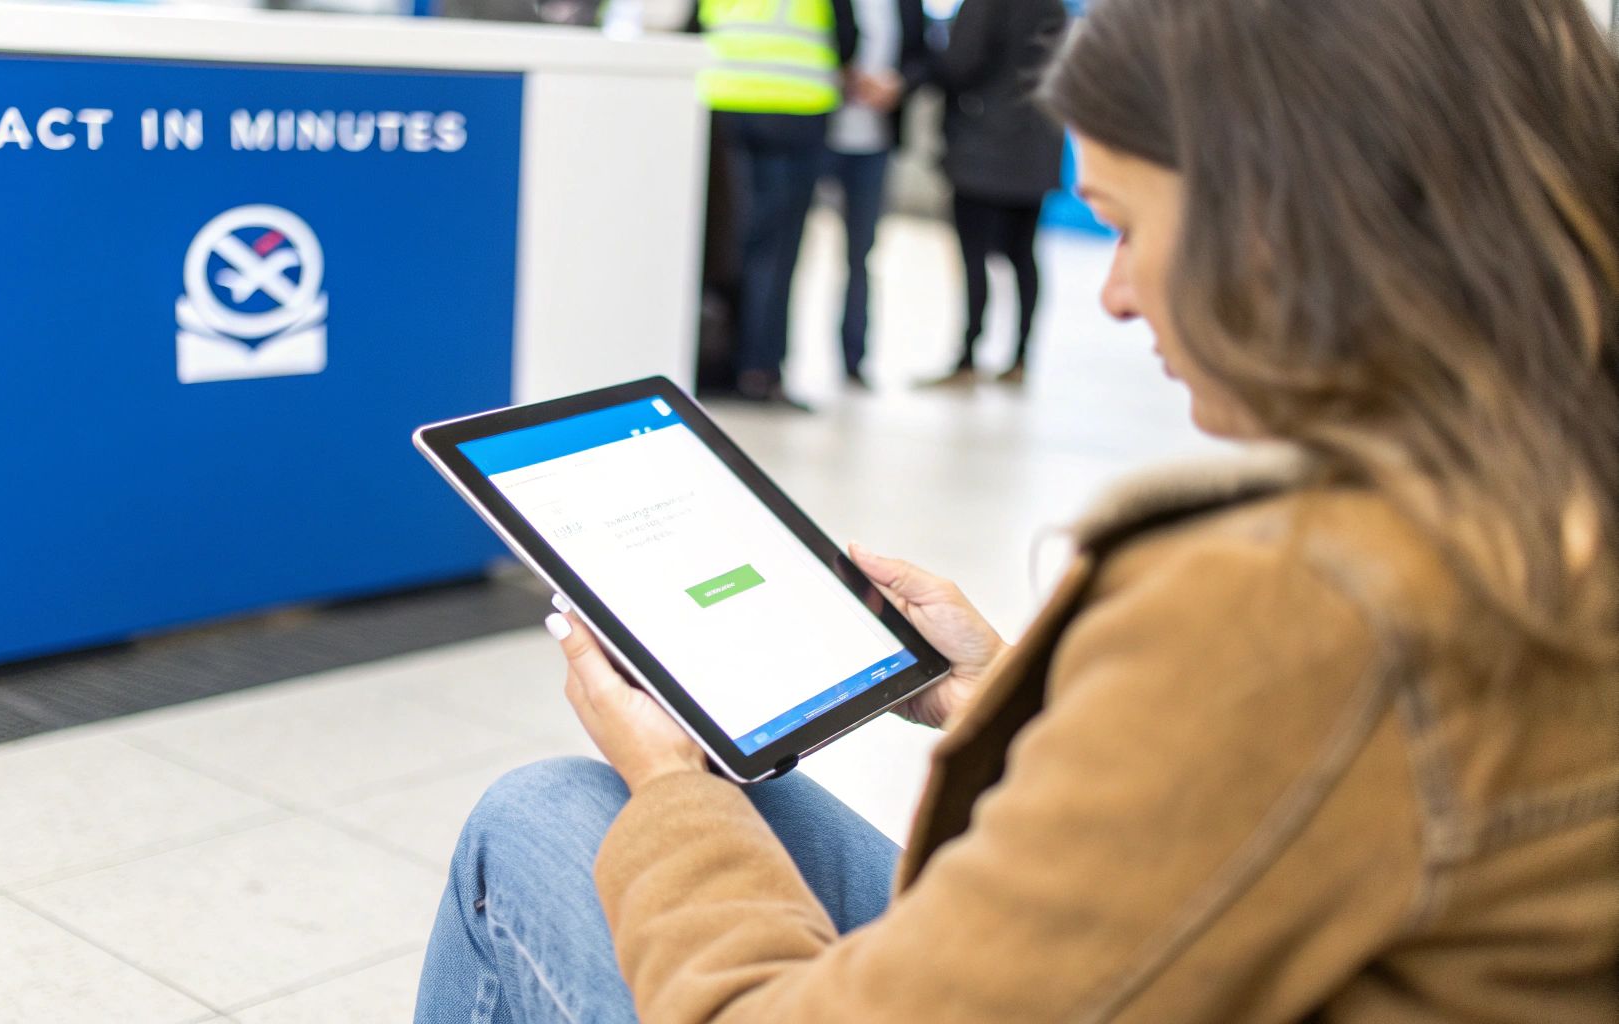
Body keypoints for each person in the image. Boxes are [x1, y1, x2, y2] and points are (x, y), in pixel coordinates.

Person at [416, 0, 1619, 1019]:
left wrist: (669, 780)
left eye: (1127, 224)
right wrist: (987, 688)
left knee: (541, 820)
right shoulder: (1544, 492)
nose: (1114, 295)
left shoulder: (1305, 599)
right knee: (703, 800)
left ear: (1292, 218)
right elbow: (1246, 811)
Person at [691, 0, 858, 410]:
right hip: (794, 109)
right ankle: (759, 371)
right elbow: (847, 38)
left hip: (722, 101)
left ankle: (712, 365)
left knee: (722, 238)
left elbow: (692, 27)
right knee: (776, 250)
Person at [925, 0, 1067, 387]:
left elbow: (960, 64)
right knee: (1023, 254)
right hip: (1037, 145)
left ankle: (968, 357)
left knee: (973, 256)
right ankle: (1020, 357)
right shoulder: (1054, 6)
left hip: (982, 146)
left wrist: (928, 58)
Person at [820, 0, 930, 388]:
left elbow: (922, 57)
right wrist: (842, 76)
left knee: (861, 254)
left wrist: (898, 84)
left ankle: (854, 360)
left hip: (875, 142)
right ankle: (770, 363)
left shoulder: (907, 5)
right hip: (820, 135)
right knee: (790, 250)